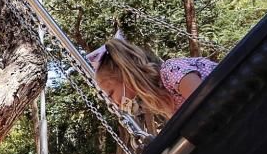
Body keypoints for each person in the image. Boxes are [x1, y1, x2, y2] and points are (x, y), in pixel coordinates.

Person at [87, 35, 218, 117]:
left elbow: (208, 103)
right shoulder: (161, 99)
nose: (113, 102)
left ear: (125, 76)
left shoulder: (171, 71)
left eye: (111, 93)